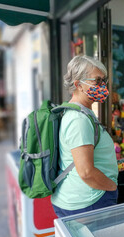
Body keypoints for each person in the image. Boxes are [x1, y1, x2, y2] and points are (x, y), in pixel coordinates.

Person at [51, 55, 118, 218]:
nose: (103, 86)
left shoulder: (79, 112)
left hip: (82, 198)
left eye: (104, 81)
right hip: (87, 202)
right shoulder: (78, 120)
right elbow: (86, 172)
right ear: (78, 85)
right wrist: (111, 187)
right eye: (97, 81)